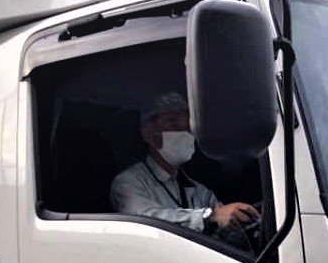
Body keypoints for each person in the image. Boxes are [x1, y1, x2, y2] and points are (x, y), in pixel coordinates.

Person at [110, 92, 259, 234]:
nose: (185, 133)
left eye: (188, 127)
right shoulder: (129, 183)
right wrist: (209, 217)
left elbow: (224, 220)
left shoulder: (199, 190)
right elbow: (146, 222)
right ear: (148, 133)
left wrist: (241, 219)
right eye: (174, 124)